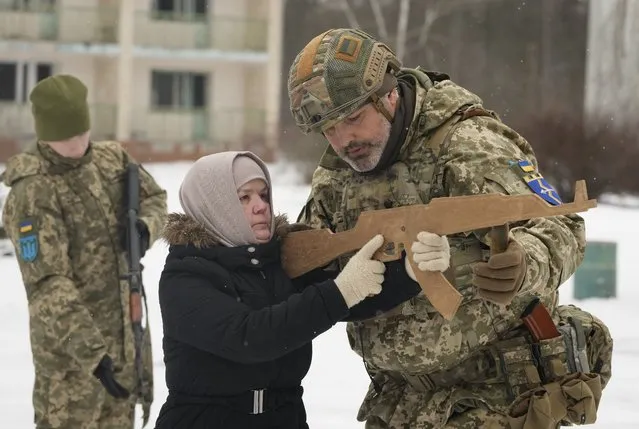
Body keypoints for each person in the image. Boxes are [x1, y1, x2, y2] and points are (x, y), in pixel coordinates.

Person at [287, 28, 613, 428]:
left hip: (495, 393)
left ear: (389, 94)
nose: (343, 140)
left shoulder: (466, 142)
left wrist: (525, 262)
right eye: (329, 129)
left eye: (353, 118)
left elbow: (559, 222)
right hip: (398, 400)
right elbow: (303, 257)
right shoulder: (336, 175)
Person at [153, 150, 449, 429]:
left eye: (263, 194)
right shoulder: (185, 276)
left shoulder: (278, 259)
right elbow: (249, 337)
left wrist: (410, 271)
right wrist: (342, 289)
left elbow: (353, 296)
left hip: (284, 416)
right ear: (214, 206)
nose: (261, 206)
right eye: (244, 197)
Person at [1, 74, 168, 428]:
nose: (77, 144)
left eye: (80, 132)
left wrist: (144, 228)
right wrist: (93, 356)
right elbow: (48, 286)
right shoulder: (33, 191)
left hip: (126, 341)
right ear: (46, 135)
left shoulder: (110, 160)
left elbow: (155, 199)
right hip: (72, 366)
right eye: (64, 137)